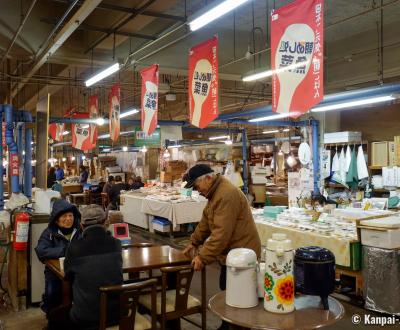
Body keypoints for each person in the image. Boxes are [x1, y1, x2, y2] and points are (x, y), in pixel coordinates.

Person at [182, 164, 261, 330]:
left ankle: (237, 327)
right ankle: (228, 325)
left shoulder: (225, 195)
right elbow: (205, 222)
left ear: (208, 178)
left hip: (242, 254)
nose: (197, 190)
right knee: (227, 290)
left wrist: (202, 258)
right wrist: (194, 241)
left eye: (196, 186)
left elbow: (221, 235)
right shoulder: (214, 193)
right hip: (233, 254)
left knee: (239, 294)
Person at [63, 205, 123, 329]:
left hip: (85, 317)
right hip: (116, 314)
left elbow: (67, 276)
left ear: (82, 225)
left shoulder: (74, 247)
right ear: (105, 223)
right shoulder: (116, 243)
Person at [35, 199, 82, 315]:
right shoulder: (49, 233)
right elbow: (41, 251)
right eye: (64, 216)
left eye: (70, 215)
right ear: (56, 220)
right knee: (52, 294)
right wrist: (65, 251)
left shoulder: (80, 230)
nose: (68, 219)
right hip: (55, 272)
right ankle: (51, 317)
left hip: (78, 271)